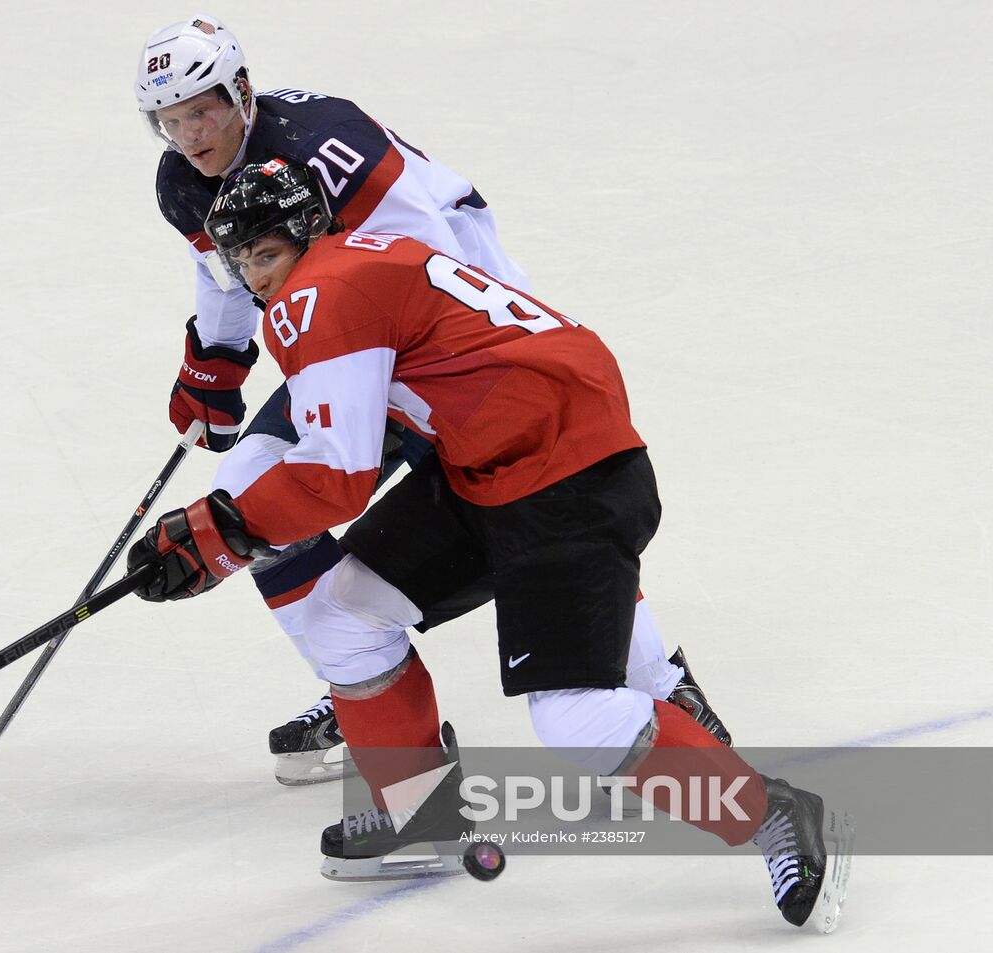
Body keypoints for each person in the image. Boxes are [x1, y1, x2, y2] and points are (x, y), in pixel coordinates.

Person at [125, 158, 854, 932]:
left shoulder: (319, 293)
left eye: (264, 254)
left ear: (308, 232)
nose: (257, 279)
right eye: (241, 264)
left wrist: (219, 532)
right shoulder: (369, 258)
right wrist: (225, 527)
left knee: (574, 719)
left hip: (564, 474)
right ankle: (423, 810)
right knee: (342, 613)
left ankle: (778, 814)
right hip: (496, 459)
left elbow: (338, 477)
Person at [134, 14, 729, 785]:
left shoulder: (326, 142)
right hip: (350, 331)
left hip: (444, 339)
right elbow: (226, 271)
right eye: (169, 121)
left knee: (529, 500)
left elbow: (418, 260)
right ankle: (355, 673)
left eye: (201, 110)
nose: (188, 135)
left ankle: (657, 679)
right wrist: (213, 362)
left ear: (241, 90)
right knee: (250, 485)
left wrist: (410, 382)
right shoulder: (184, 182)